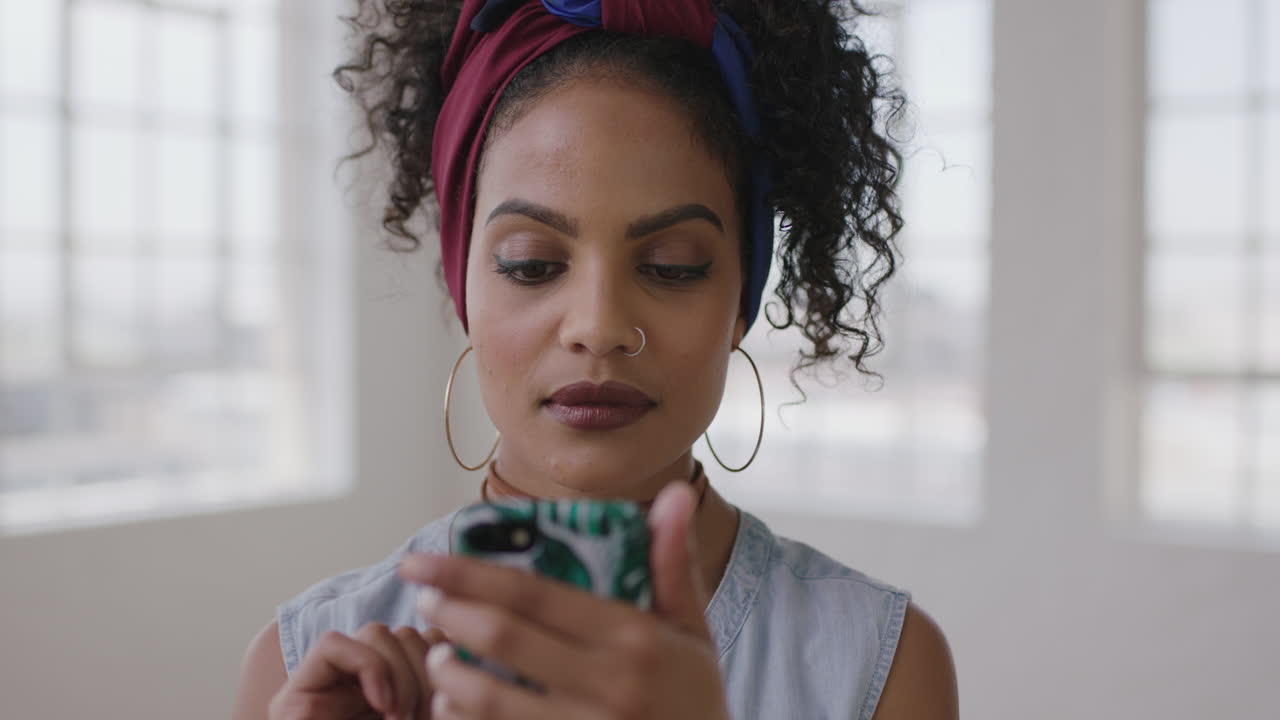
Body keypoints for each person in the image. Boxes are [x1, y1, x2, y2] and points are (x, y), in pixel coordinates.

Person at [234, 0, 959, 717]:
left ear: (741, 301)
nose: (599, 326)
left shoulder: (881, 667)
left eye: (673, 266)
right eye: (530, 264)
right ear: (463, 289)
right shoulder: (302, 666)